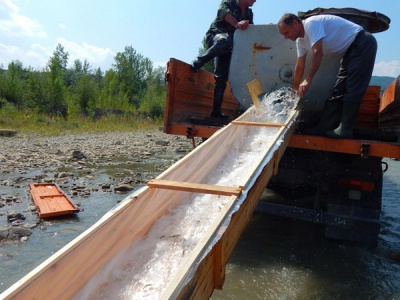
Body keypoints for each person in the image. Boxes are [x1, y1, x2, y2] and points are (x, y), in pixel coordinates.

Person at [277, 13, 377, 138]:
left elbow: (318, 52)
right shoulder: (300, 42)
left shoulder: (311, 24)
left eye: (286, 33)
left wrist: (308, 80)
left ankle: (345, 129)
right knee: (338, 89)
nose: (286, 37)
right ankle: (325, 127)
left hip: (362, 43)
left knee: (353, 87)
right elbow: (299, 65)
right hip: (349, 51)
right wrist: (295, 88)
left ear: (296, 23)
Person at [191, 0, 256, 119]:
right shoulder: (228, 3)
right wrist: (237, 24)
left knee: (221, 78)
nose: (256, 0)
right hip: (216, 36)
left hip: (230, 46)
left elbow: (250, 31)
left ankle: (216, 111)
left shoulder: (249, 13)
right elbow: (224, 14)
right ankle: (199, 60)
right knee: (224, 41)